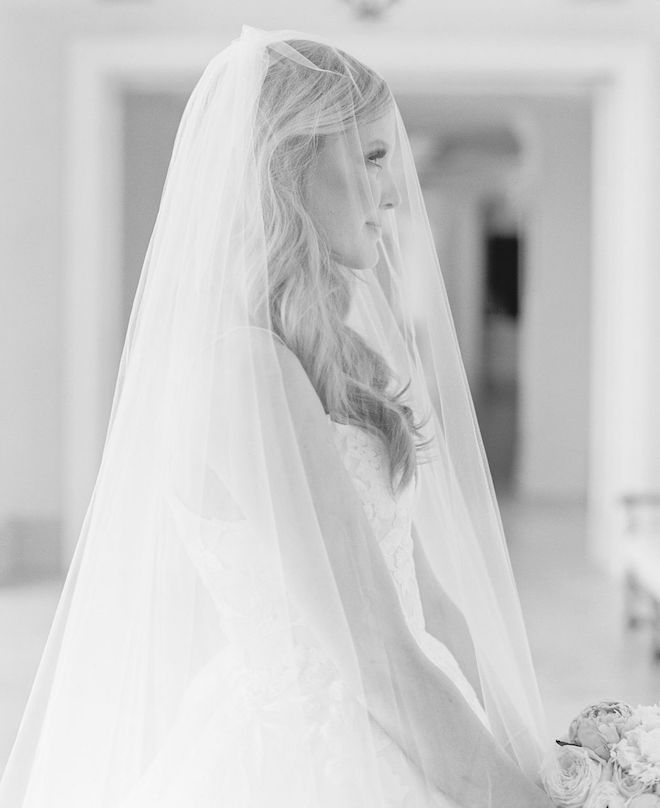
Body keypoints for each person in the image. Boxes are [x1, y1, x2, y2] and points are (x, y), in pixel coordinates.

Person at [0, 25, 558, 808]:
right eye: (369, 158)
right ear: (290, 166)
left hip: (414, 731)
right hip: (319, 763)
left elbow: (426, 600)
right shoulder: (239, 370)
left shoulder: (338, 350)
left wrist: (533, 760)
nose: (394, 193)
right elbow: (377, 662)